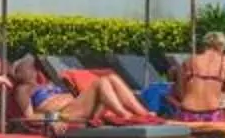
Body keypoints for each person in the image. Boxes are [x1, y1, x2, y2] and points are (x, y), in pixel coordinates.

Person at [11, 53, 148, 128]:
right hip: (67, 114)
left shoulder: (45, 84)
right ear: (18, 73)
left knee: (111, 77)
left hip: (78, 106)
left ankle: (143, 113)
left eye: (32, 67)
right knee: (101, 82)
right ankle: (124, 114)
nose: (33, 69)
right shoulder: (23, 90)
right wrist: (54, 120)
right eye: (27, 67)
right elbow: (29, 117)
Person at [172, 33, 225, 123]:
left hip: (187, 112)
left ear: (205, 45)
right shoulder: (224, 61)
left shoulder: (190, 60)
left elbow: (179, 89)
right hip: (212, 114)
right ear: (222, 46)